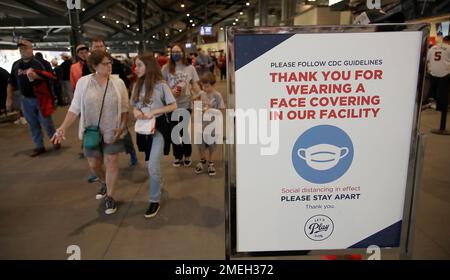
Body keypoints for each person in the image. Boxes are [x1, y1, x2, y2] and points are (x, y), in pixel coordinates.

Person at [51, 50, 129, 215]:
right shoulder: (83, 83)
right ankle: (103, 182)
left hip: (112, 131)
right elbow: (75, 107)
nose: (109, 66)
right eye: (105, 64)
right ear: (94, 66)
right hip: (91, 132)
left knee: (112, 161)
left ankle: (111, 197)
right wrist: (63, 127)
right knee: (94, 164)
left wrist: (122, 126)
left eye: (110, 63)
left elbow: (124, 108)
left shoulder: (118, 82)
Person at [131, 54, 177, 218]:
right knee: (150, 163)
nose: (136, 68)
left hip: (159, 129)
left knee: (152, 166)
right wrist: (137, 112)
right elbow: (134, 105)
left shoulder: (161, 85)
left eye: (139, 65)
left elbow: (173, 105)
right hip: (143, 130)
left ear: (149, 66)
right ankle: (158, 182)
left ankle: (154, 200)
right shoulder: (137, 85)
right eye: (136, 65)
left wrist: (154, 111)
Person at [6, 39, 60, 157]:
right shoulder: (16, 65)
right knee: (33, 124)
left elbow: (52, 78)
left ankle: (55, 141)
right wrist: (9, 99)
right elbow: (11, 83)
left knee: (47, 123)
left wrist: (38, 77)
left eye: (25, 48)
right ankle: (39, 146)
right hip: (25, 99)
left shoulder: (41, 63)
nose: (22, 50)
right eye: (20, 48)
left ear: (31, 49)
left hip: (42, 98)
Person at [91, 36, 137, 166]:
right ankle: (98, 165)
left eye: (101, 46)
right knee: (96, 137)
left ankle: (131, 152)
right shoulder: (88, 66)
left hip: (114, 107)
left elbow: (124, 82)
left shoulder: (115, 63)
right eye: (96, 46)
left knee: (123, 132)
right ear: (92, 49)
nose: (98, 48)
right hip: (96, 109)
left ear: (105, 48)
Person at [161, 44, 201, 167]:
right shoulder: (166, 68)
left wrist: (198, 95)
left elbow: (195, 84)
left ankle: (187, 154)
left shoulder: (190, 68)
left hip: (186, 104)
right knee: (174, 132)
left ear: (183, 53)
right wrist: (170, 92)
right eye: (173, 52)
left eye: (178, 51)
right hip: (171, 105)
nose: (176, 54)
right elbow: (161, 86)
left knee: (184, 131)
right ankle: (177, 156)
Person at [192, 72, 225, 176]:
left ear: (213, 85)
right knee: (200, 145)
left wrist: (212, 110)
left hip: (213, 126)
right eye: (203, 86)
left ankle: (211, 163)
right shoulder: (202, 94)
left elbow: (222, 109)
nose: (205, 89)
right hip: (201, 125)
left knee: (212, 146)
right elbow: (195, 100)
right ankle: (202, 160)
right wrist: (195, 101)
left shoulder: (217, 95)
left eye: (207, 86)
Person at [426, 35, 450, 111]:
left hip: (433, 73)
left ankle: (432, 102)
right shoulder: (449, 48)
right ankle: (441, 107)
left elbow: (427, 59)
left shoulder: (433, 48)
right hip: (445, 73)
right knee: (442, 91)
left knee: (433, 88)